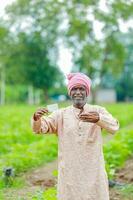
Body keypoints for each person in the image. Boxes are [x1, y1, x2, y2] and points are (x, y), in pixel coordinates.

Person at [31, 72, 119, 200]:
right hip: (70, 174)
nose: (78, 92)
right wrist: (36, 118)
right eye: (74, 89)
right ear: (70, 93)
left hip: (93, 172)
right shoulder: (61, 114)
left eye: (81, 89)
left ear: (87, 92)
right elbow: (41, 128)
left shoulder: (98, 110)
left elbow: (114, 126)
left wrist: (99, 119)